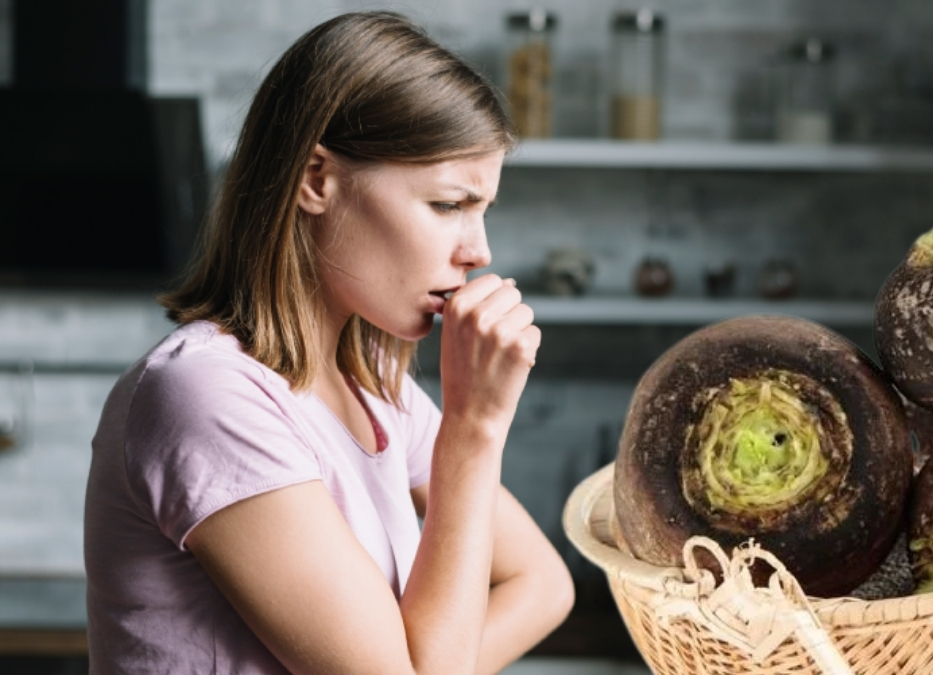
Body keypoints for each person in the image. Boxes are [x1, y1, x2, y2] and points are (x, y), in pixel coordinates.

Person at [83, 11, 574, 674]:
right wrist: (475, 424)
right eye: (447, 204)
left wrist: (430, 662)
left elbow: (543, 583)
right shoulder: (206, 393)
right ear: (316, 179)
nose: (478, 251)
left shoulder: (378, 387)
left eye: (482, 209)